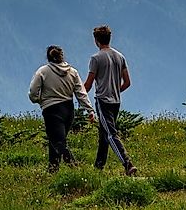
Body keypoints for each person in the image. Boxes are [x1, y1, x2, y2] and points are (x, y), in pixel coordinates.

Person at [28, 45, 95, 173]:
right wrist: (90, 110)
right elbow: (81, 92)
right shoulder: (72, 72)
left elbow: (32, 92)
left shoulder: (43, 71)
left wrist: (39, 100)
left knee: (58, 142)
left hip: (51, 110)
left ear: (48, 57)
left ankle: (77, 171)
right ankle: (53, 170)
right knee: (57, 140)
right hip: (69, 110)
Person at [83, 24, 138, 176]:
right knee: (104, 134)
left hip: (103, 101)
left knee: (110, 134)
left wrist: (78, 93)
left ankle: (128, 164)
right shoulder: (120, 57)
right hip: (116, 101)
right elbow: (127, 82)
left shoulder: (96, 58)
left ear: (96, 40)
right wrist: (115, 89)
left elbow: (88, 83)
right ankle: (98, 169)